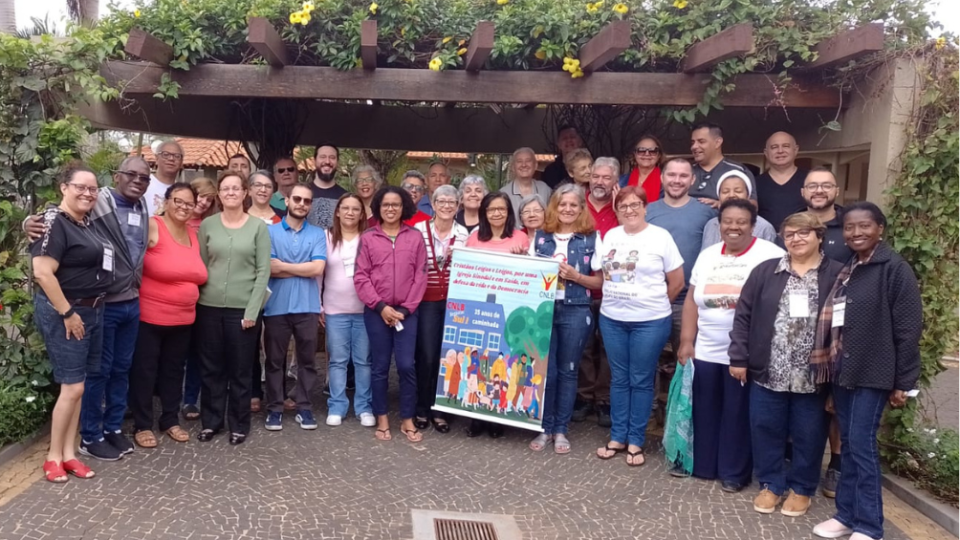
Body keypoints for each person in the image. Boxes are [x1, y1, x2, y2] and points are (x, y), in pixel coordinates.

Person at [812, 202, 922, 540]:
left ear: (880, 229)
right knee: (847, 443)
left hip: (874, 372)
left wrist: (904, 381)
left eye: (864, 226)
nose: (856, 233)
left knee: (860, 446)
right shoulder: (852, 266)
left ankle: (870, 525)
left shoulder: (893, 268)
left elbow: (908, 328)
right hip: (845, 370)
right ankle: (846, 515)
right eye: (849, 227)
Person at [728, 212, 843, 516]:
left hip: (814, 374)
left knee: (809, 432)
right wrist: (738, 356)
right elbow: (743, 316)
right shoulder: (766, 271)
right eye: (790, 233)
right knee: (765, 427)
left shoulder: (838, 274)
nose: (796, 239)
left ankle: (802, 487)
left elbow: (847, 326)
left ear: (820, 236)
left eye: (804, 233)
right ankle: (771, 484)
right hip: (769, 370)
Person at [677, 199, 785, 491]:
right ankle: (704, 465)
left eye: (741, 222)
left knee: (737, 412)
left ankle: (734, 473)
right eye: (727, 221)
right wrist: (687, 341)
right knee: (705, 407)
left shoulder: (771, 255)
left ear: (753, 226)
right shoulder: (708, 255)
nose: (733, 227)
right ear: (719, 224)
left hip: (746, 353)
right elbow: (691, 299)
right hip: (707, 348)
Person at [31, 164, 114, 482]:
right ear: (63, 187)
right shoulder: (54, 221)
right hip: (68, 313)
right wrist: (68, 313)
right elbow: (42, 272)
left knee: (79, 386)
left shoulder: (87, 222)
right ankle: (53, 456)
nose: (87, 193)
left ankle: (70, 452)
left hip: (93, 311)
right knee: (73, 386)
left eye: (93, 189)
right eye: (81, 187)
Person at [594, 186, 684, 466]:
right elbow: (602, 274)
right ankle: (617, 436)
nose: (630, 210)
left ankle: (636, 440)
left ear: (646, 207)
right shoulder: (610, 236)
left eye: (636, 205)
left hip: (650, 321)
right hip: (612, 318)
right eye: (623, 206)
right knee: (619, 378)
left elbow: (678, 281)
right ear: (617, 210)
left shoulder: (660, 237)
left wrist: (654, 306)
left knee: (642, 379)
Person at [128, 183, 208, 448]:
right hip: (150, 317)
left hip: (184, 319)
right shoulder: (152, 225)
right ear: (167, 200)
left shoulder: (193, 234)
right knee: (145, 371)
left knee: (174, 372)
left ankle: (170, 420)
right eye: (178, 201)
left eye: (189, 203)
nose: (183, 207)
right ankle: (142, 425)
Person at [195, 172, 271, 445]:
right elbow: (201, 267)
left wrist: (252, 311)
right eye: (225, 189)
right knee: (211, 368)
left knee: (240, 370)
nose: (230, 193)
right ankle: (211, 422)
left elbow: (263, 271)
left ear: (245, 192)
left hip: (243, 310)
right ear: (220, 194)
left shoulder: (258, 227)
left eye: (235, 188)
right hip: (209, 307)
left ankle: (239, 424)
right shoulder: (208, 225)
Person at [528, 184, 604, 454]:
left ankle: (561, 429)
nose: (568, 209)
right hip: (544, 310)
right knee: (546, 371)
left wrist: (576, 277)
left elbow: (600, 281)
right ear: (554, 207)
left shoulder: (591, 238)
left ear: (581, 208)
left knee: (569, 370)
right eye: (563, 205)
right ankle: (544, 428)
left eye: (574, 205)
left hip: (576, 308)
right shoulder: (539, 236)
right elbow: (526, 275)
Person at [645, 158, 717, 431]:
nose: (677, 180)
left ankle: (683, 421)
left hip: (688, 303)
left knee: (687, 363)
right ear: (662, 178)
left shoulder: (705, 213)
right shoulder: (648, 211)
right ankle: (649, 415)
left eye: (683, 176)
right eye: (671, 175)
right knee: (647, 361)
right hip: (650, 301)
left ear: (692, 180)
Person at [354, 186, 428, 442]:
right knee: (380, 367)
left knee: (407, 365)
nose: (390, 208)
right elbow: (361, 276)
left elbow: (421, 275)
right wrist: (381, 307)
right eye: (385, 204)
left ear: (404, 206)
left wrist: (406, 309)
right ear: (378, 207)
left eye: (396, 204)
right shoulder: (368, 238)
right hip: (377, 312)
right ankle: (382, 417)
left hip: (407, 313)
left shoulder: (415, 237)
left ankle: (407, 418)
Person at [799, 167, 853, 498]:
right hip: (798, 323)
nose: (819, 190)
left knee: (835, 400)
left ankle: (837, 464)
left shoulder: (848, 226)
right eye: (812, 186)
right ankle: (800, 460)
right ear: (803, 192)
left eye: (826, 185)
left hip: (838, 325)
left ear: (836, 190)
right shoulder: (794, 225)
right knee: (802, 394)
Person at [463, 193, 530, 438]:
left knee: (499, 367)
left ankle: (496, 418)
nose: (497, 214)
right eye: (491, 209)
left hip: (508, 309)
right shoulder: (473, 239)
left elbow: (530, 274)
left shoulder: (520, 238)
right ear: (484, 213)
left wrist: (524, 258)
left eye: (501, 209)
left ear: (509, 212)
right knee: (479, 364)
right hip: (480, 310)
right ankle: (476, 417)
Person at [263, 184, 326, 432]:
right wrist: (303, 268)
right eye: (297, 199)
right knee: (274, 361)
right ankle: (275, 409)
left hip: (308, 307)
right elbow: (269, 267)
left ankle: (304, 407)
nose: (301, 203)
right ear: (287, 201)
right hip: (276, 306)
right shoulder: (269, 232)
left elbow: (317, 269)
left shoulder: (318, 234)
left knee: (308, 361)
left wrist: (284, 266)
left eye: (306, 201)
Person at [413, 185, 469, 433]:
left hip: (455, 301)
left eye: (452, 202)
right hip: (426, 300)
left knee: (449, 356)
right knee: (426, 355)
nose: (447, 206)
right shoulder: (418, 231)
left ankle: (441, 409)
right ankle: (423, 407)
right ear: (433, 205)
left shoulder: (464, 234)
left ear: (458, 207)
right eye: (442, 201)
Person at [573, 157, 621, 426]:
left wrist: (618, 207)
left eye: (606, 177)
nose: (599, 182)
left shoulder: (621, 207)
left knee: (607, 348)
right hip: (580, 287)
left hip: (612, 291)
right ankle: (583, 396)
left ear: (615, 181)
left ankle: (604, 400)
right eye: (595, 176)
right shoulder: (578, 204)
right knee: (583, 346)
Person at [322, 194, 374, 427]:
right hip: (335, 310)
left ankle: (364, 407)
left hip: (365, 311)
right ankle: (337, 405)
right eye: (346, 208)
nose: (350, 213)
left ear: (362, 214)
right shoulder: (326, 237)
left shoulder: (370, 238)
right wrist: (318, 305)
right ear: (337, 211)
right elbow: (318, 274)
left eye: (356, 209)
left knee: (363, 361)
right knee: (338, 361)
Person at [182, 176, 219, 420]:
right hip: (178, 297)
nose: (203, 202)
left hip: (204, 296)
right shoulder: (177, 221)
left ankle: (191, 400)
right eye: (200, 196)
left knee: (199, 352)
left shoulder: (211, 225)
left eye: (209, 199)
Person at [701, 170, 777, 250]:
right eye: (725, 191)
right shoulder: (711, 225)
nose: (731, 195)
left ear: (748, 195)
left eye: (738, 191)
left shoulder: (764, 227)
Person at [688, 123, 756, 208]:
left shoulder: (738, 171)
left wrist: (723, 205)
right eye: (693, 142)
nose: (694, 147)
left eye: (701, 141)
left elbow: (753, 206)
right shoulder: (685, 172)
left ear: (717, 142)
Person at [756, 132, 807, 229]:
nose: (780, 151)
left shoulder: (810, 181)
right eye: (774, 147)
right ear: (766, 153)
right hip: (766, 241)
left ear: (795, 150)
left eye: (786, 146)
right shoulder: (755, 183)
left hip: (802, 240)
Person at [500, 148, 552, 221]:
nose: (524, 165)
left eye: (528, 161)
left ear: (535, 165)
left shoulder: (545, 189)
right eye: (519, 161)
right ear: (513, 167)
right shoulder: (503, 193)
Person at [307, 144, 348, 229]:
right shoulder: (303, 194)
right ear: (315, 160)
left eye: (332, 157)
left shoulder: (345, 197)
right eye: (322, 157)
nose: (327, 161)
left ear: (337, 162)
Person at [618, 134, 663, 204]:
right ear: (634, 154)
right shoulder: (620, 182)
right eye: (641, 150)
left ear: (659, 155)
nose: (647, 154)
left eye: (652, 151)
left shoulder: (667, 183)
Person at [145, 140, 183, 215]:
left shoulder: (181, 192)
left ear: (181, 162)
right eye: (165, 154)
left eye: (177, 156)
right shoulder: (144, 184)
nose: (171, 159)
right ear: (156, 158)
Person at [542, 125, 585, 189]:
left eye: (572, 137)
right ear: (558, 144)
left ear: (580, 141)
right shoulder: (550, 171)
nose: (569, 140)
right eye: (564, 138)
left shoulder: (590, 167)